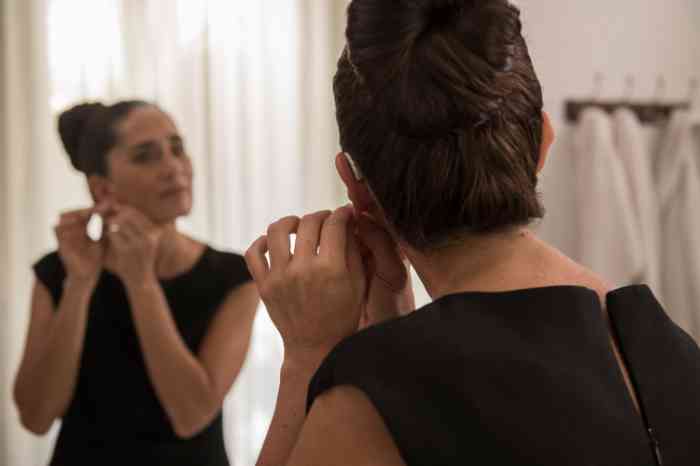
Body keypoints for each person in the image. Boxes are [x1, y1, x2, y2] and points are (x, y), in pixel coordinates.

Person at [245, 1, 700, 465]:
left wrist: (308, 357)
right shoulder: (671, 349)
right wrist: (386, 331)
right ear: (542, 145)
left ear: (356, 187)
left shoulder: (370, 399)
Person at [13, 101, 259, 465]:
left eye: (177, 148)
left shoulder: (234, 276)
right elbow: (35, 417)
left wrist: (141, 283)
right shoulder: (58, 272)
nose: (174, 167)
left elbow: (191, 415)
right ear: (102, 190)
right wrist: (79, 285)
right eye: (146, 156)